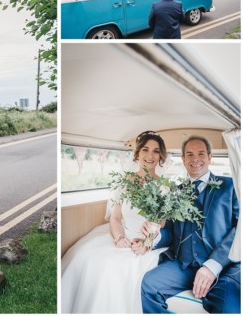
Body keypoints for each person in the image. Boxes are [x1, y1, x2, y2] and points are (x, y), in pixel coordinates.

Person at [62, 131, 169, 313]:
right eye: (145, 149)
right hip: (122, 233)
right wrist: (119, 238)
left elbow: (162, 224)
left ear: (161, 156)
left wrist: (147, 241)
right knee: (85, 258)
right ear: (137, 154)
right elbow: (116, 218)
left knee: (113, 267)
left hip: (146, 242)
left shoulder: (164, 186)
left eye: (156, 151)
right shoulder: (125, 181)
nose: (150, 155)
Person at [139, 136, 240, 314]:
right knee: (149, 284)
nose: (195, 159)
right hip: (183, 265)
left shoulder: (230, 186)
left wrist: (213, 265)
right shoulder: (176, 192)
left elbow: (240, 229)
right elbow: (170, 231)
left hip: (222, 267)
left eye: (201, 154)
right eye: (189, 154)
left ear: (210, 157)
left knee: (228, 307)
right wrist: (156, 236)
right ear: (183, 159)